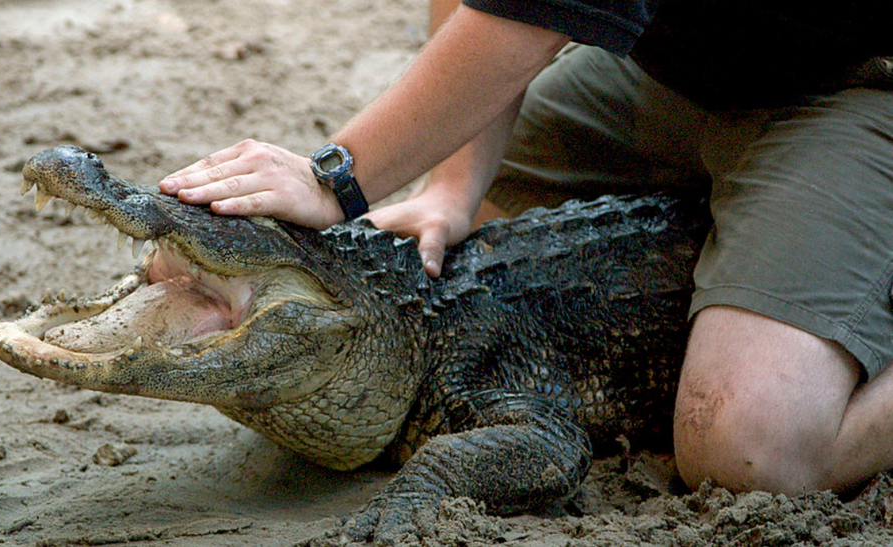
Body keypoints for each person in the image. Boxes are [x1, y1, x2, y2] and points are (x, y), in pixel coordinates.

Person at [158, 0, 893, 496]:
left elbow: (526, 26)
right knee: (471, 223)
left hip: (860, 82)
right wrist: (451, 188)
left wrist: (334, 177)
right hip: (689, 72)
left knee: (751, 449)